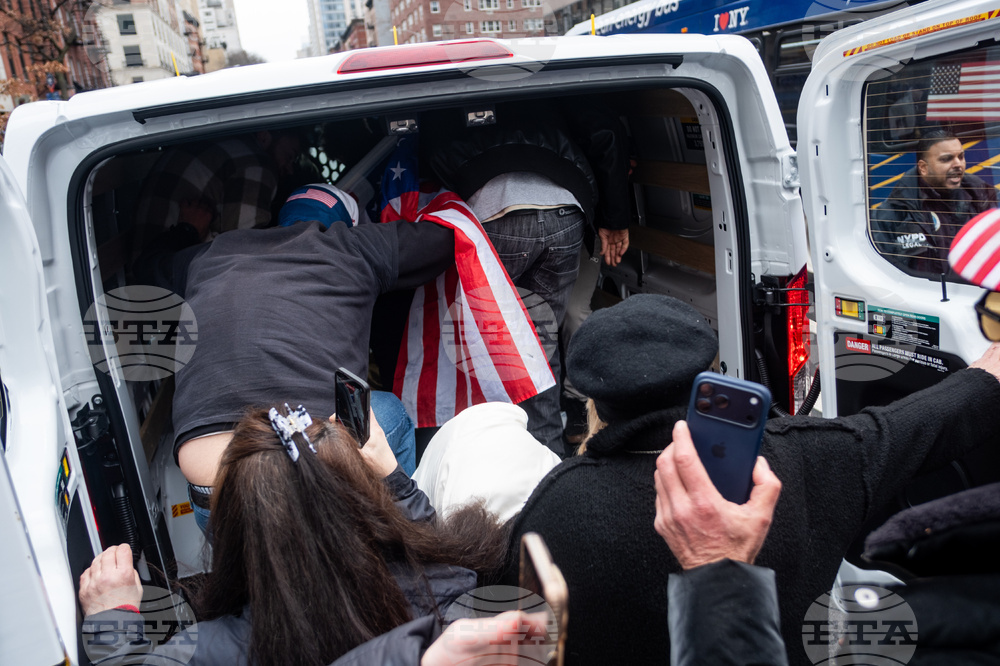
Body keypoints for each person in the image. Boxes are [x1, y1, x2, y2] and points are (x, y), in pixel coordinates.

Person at [502, 293, 1000, 666]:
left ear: (593, 403)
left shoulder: (555, 507)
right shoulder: (814, 454)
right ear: (713, 374)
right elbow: (930, 421)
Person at [79, 404, 510, 665]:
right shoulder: (440, 585)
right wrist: (394, 481)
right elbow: (431, 552)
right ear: (363, 503)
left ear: (232, 526)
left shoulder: (211, 649)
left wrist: (111, 615)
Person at [133, 183, 454, 530]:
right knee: (390, 411)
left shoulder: (207, 256)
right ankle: (396, 540)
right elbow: (447, 239)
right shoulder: (351, 244)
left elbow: (146, 266)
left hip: (218, 493)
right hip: (317, 480)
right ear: (343, 224)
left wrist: (188, 228)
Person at [424, 100, 631, 454]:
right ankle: (547, 461)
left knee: (483, 347)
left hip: (495, 211)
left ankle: (490, 456)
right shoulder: (546, 100)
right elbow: (604, 130)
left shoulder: (451, 100)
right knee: (540, 345)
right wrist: (614, 214)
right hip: (567, 210)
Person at [132, 130, 303, 253]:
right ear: (264, 136)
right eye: (289, 156)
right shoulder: (256, 164)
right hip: (168, 279)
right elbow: (244, 251)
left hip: (151, 268)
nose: (290, 170)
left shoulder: (225, 146)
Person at [871, 129, 996, 276]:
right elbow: (884, 276)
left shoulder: (982, 199)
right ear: (923, 168)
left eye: (961, 157)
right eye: (946, 159)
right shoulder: (892, 215)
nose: (958, 164)